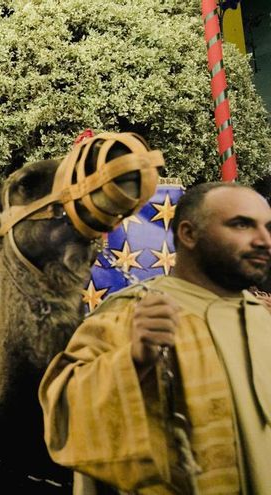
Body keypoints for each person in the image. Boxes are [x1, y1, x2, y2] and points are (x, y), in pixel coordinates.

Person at [40, 182, 271, 493]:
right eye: (241, 224)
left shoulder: (263, 319)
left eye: (267, 227)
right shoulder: (129, 313)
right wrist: (133, 360)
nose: (263, 240)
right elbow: (63, 414)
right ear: (188, 234)